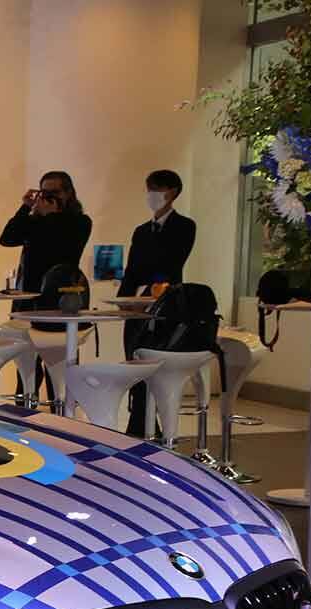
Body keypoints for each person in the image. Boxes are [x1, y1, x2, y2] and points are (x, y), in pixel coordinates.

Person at [121, 169, 198, 435]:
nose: (151, 195)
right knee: (134, 362)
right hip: (137, 305)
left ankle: (152, 425)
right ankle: (139, 423)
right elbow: (131, 270)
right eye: (149, 189)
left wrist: (151, 292)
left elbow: (171, 263)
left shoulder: (184, 226)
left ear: (172, 192)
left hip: (165, 303)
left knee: (155, 363)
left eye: (157, 189)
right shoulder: (141, 231)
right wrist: (125, 300)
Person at [0, 171, 92, 308]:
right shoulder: (37, 221)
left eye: (55, 192)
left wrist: (51, 215)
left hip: (60, 294)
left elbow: (62, 247)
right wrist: (26, 207)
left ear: (68, 193)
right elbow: (7, 239)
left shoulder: (80, 222)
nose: (50, 197)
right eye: (45, 193)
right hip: (28, 295)